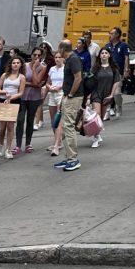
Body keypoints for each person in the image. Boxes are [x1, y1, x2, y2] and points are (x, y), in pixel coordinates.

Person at [54, 39, 83, 172]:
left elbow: (78, 78)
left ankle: (73, 159)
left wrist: (71, 94)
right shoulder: (70, 60)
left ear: (62, 49)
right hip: (68, 97)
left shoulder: (74, 60)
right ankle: (68, 157)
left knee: (69, 127)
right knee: (65, 127)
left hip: (74, 97)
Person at [15, 48, 46, 155]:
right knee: (20, 120)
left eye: (38, 55)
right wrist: (31, 83)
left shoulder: (42, 67)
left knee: (30, 121)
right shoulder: (24, 66)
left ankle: (28, 144)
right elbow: (20, 81)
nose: (36, 57)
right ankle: (18, 145)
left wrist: (33, 69)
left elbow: (37, 83)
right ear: (31, 55)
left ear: (41, 56)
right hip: (22, 97)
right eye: (34, 55)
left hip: (34, 98)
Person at [0, 54, 25, 160]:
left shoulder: (21, 77)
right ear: (10, 64)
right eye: (14, 63)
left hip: (14, 101)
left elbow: (21, 93)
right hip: (3, 101)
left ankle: (8, 149)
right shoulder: (4, 75)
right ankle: (1, 145)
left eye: (18, 63)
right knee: (2, 126)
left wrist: (11, 98)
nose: (15, 65)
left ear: (21, 65)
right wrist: (4, 92)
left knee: (10, 126)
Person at [88, 48, 120, 148]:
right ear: (100, 56)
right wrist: (88, 97)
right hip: (96, 93)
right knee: (96, 116)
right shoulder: (95, 68)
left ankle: (97, 134)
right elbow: (90, 82)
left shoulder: (114, 68)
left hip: (107, 95)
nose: (104, 55)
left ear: (109, 55)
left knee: (101, 117)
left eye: (106, 53)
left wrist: (111, 95)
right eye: (102, 53)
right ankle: (96, 138)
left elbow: (116, 82)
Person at [103, 28, 130, 118]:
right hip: (107, 72)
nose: (109, 35)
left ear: (117, 35)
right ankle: (107, 110)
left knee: (117, 93)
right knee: (107, 92)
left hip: (118, 72)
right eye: (109, 33)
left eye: (112, 33)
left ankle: (118, 106)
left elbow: (126, 58)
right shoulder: (107, 46)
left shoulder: (123, 45)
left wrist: (126, 70)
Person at [45, 50, 65, 156]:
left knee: (58, 119)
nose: (57, 59)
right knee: (53, 120)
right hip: (52, 94)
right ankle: (58, 140)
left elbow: (67, 82)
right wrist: (49, 87)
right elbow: (48, 82)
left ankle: (56, 145)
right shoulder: (52, 69)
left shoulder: (65, 68)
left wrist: (59, 87)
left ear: (63, 58)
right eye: (56, 57)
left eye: (59, 57)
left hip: (61, 93)